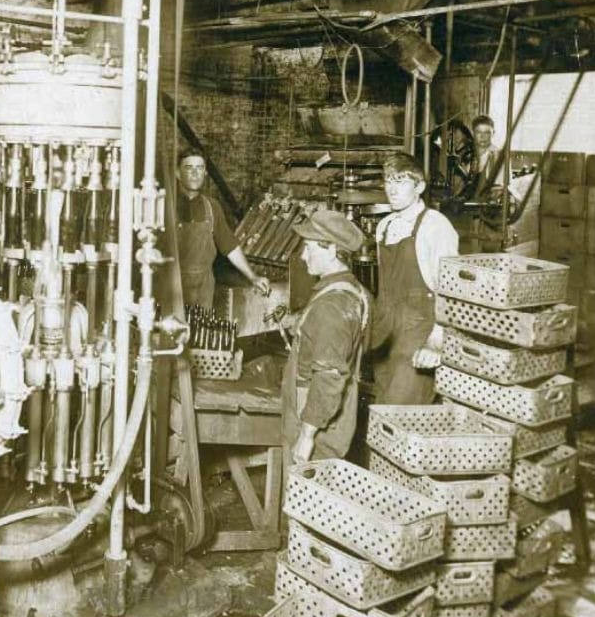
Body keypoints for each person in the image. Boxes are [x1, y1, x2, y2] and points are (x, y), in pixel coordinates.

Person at [283, 209, 372, 464]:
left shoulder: (331, 307)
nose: (302, 255)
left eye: (309, 247)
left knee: (304, 496)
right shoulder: (357, 291)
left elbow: (329, 375)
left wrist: (306, 436)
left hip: (314, 420)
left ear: (332, 249)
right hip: (333, 416)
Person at [371, 152, 459, 405]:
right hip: (386, 331)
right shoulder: (384, 226)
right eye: (388, 181)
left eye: (401, 181)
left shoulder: (436, 226)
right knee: (381, 409)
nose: (392, 189)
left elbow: (449, 289)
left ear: (419, 186)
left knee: (401, 411)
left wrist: (436, 340)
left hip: (418, 329)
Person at [176, 153, 270, 308]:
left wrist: (253, 277)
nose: (195, 173)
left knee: (202, 331)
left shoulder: (212, 207)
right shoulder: (165, 205)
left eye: (199, 168)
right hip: (172, 288)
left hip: (203, 289)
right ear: (178, 173)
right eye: (188, 168)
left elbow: (230, 246)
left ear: (205, 173)